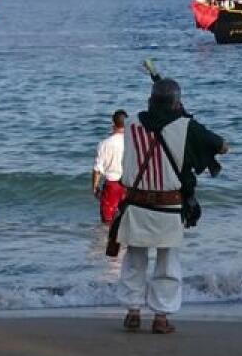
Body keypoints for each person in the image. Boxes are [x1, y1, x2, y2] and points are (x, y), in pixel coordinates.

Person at [116, 78, 227, 335]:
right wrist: (186, 117)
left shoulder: (131, 122)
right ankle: (161, 317)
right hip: (168, 207)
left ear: (150, 100)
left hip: (136, 203)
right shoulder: (186, 126)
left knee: (134, 259)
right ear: (176, 103)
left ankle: (132, 312)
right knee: (167, 262)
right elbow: (221, 145)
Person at [92, 110, 128, 224]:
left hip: (112, 186)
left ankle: (108, 241)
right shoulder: (132, 142)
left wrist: (95, 187)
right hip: (130, 185)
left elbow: (97, 169)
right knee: (127, 220)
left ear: (113, 124)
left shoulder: (104, 144)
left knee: (107, 221)